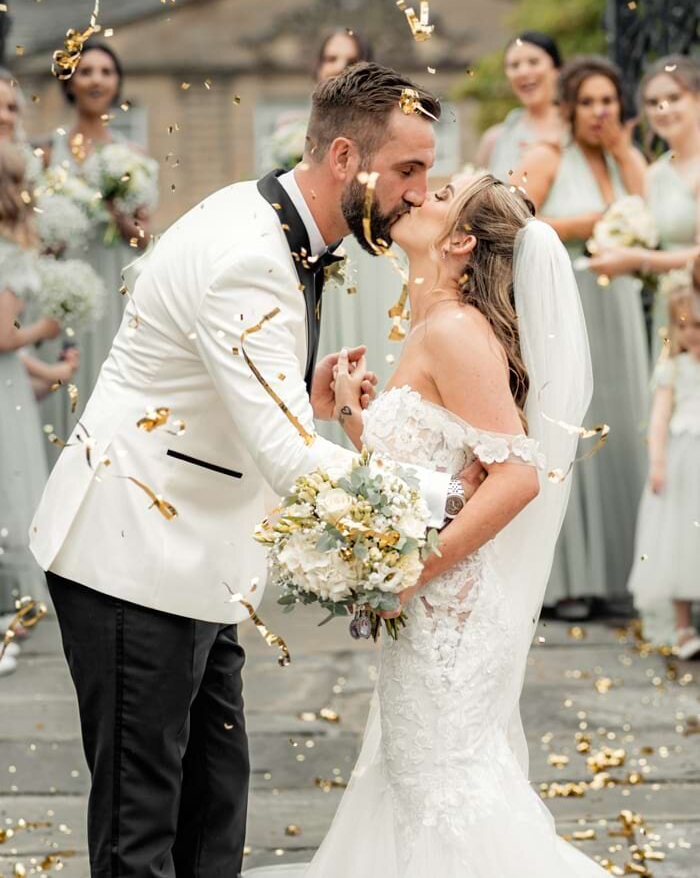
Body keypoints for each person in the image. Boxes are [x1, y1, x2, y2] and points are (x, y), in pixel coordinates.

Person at [30, 63, 483, 877]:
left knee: (214, 812)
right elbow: (280, 453)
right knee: (143, 830)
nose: (421, 192)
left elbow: (222, 391)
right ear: (346, 157)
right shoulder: (248, 254)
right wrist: (441, 494)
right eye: (409, 170)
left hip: (200, 558)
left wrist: (300, 395)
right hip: (135, 560)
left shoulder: (271, 221)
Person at [246, 176, 602, 877]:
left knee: (445, 786)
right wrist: (350, 416)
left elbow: (518, 476)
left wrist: (415, 568)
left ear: (462, 241)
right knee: (417, 781)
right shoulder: (432, 325)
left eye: (438, 194)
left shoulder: (454, 332)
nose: (414, 195)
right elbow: (424, 486)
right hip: (426, 611)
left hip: (452, 616)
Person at [513, 55, 649, 620]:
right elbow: (514, 217)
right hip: (568, 304)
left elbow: (653, 211)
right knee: (573, 424)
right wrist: (587, 223)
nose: (599, 112)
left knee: (624, 423)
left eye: (609, 101)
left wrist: (621, 150)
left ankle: (621, 575)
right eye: (588, 102)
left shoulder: (623, 159)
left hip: (617, 305)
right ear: (569, 107)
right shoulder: (548, 156)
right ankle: (566, 580)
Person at [41, 42, 154, 454]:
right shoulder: (49, 153)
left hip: (114, 282)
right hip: (62, 285)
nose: (97, 79)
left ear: (117, 82)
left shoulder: (132, 156)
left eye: (106, 71)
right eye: (87, 71)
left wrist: (113, 209)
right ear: (70, 81)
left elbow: (143, 237)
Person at [0, 142, 78, 676]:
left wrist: (49, 373)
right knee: (11, 493)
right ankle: (9, 616)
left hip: (10, 382)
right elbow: (4, 336)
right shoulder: (9, 249)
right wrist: (46, 331)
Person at [588, 55, 700, 355]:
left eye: (674, 98)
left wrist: (636, 258)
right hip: (671, 313)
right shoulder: (656, 174)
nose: (662, 109)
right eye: (652, 102)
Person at [628, 283, 700, 659]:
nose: (691, 334)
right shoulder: (674, 369)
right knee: (680, 539)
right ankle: (683, 625)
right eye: (684, 326)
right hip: (685, 461)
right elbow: (658, 420)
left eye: (698, 326)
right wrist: (657, 462)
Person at [476, 31, 564, 181]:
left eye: (534, 62)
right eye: (514, 65)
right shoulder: (494, 140)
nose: (523, 72)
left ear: (557, 70)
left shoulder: (579, 129)